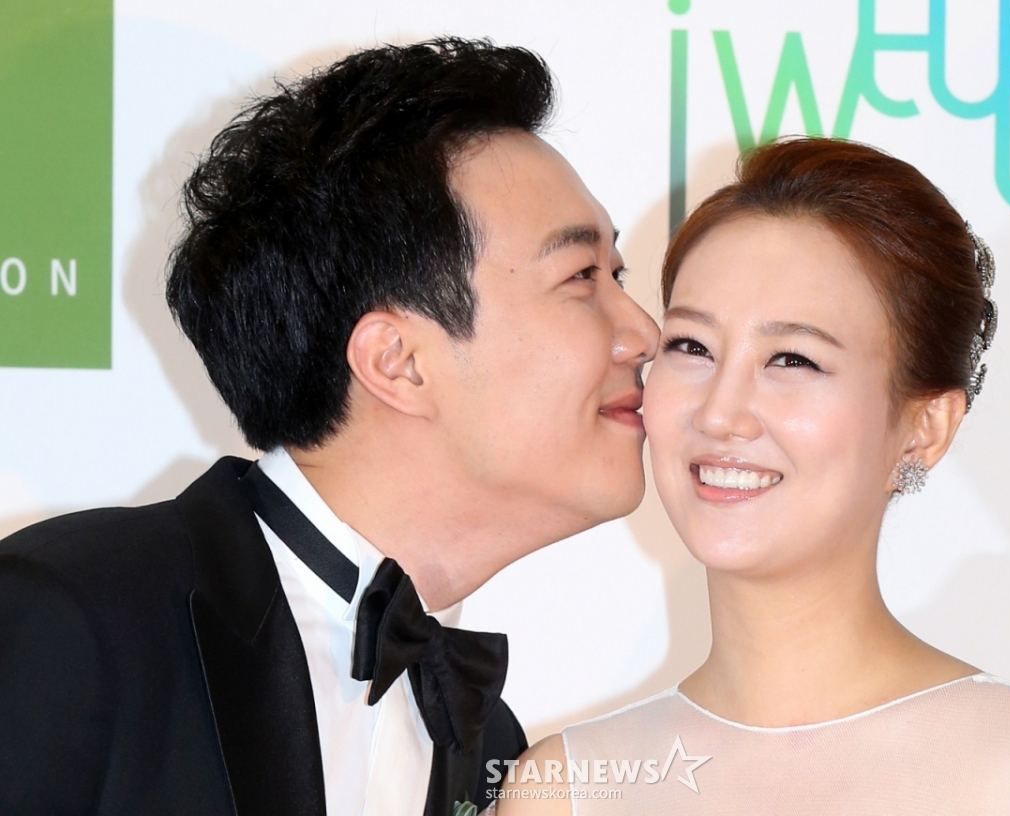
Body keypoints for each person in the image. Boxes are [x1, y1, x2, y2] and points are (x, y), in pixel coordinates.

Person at [0, 39, 658, 816]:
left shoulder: (490, 746)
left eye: (617, 275)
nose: (643, 332)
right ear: (397, 362)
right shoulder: (75, 616)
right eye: (582, 277)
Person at [497, 138, 1010, 815]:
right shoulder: (564, 786)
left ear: (925, 426)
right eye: (692, 346)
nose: (719, 414)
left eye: (793, 360)